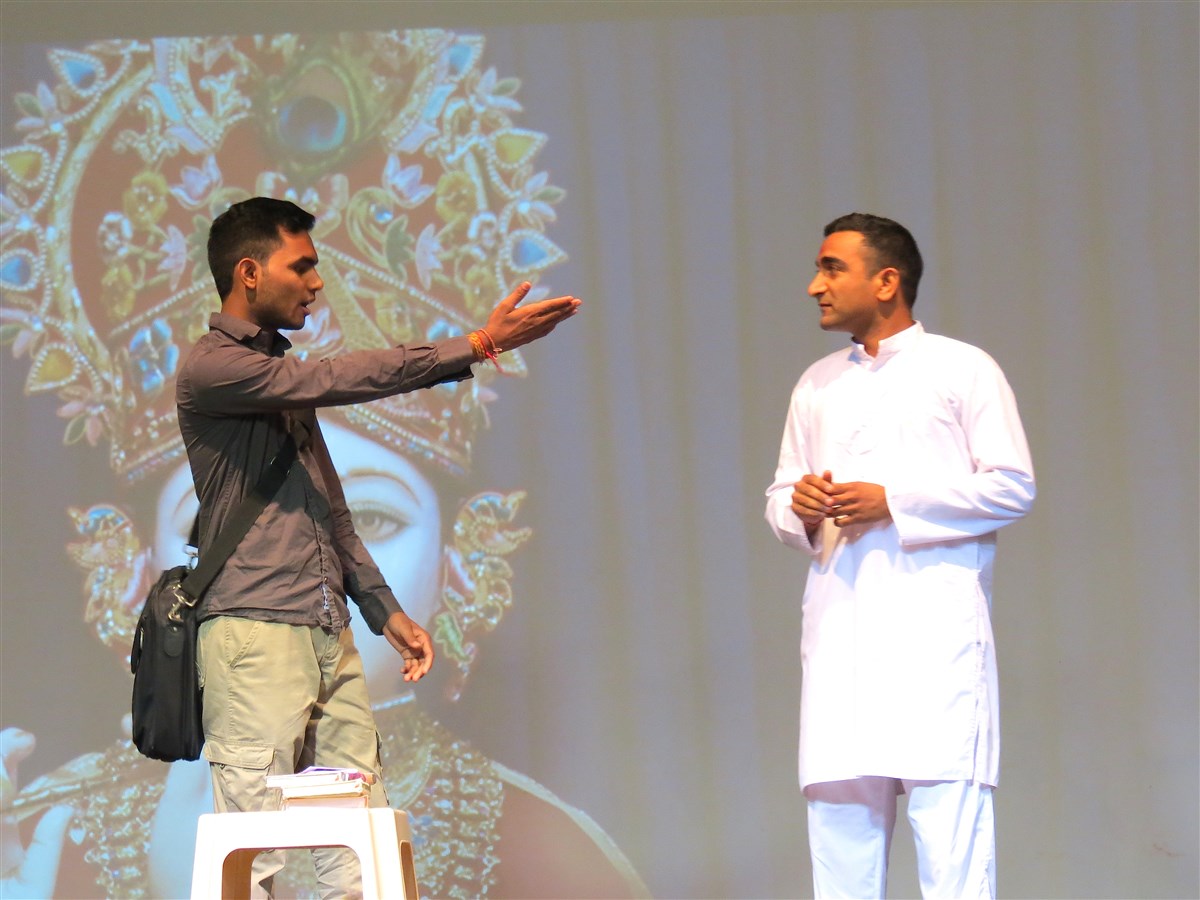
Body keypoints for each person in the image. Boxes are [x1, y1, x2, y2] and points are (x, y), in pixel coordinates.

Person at [172, 195, 574, 898]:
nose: (316, 281)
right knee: (253, 854)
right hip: (253, 633)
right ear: (249, 273)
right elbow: (335, 378)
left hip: (326, 628)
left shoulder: (274, 377)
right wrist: (477, 344)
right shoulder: (214, 368)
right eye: (302, 266)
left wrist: (384, 610)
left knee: (360, 848)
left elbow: (330, 511)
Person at [764, 213, 1036, 899]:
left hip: (932, 640)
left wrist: (895, 502)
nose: (815, 286)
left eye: (832, 268)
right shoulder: (817, 382)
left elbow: (1012, 486)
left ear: (886, 281)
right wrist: (799, 507)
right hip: (840, 638)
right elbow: (780, 496)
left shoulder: (962, 368)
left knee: (951, 852)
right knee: (840, 851)